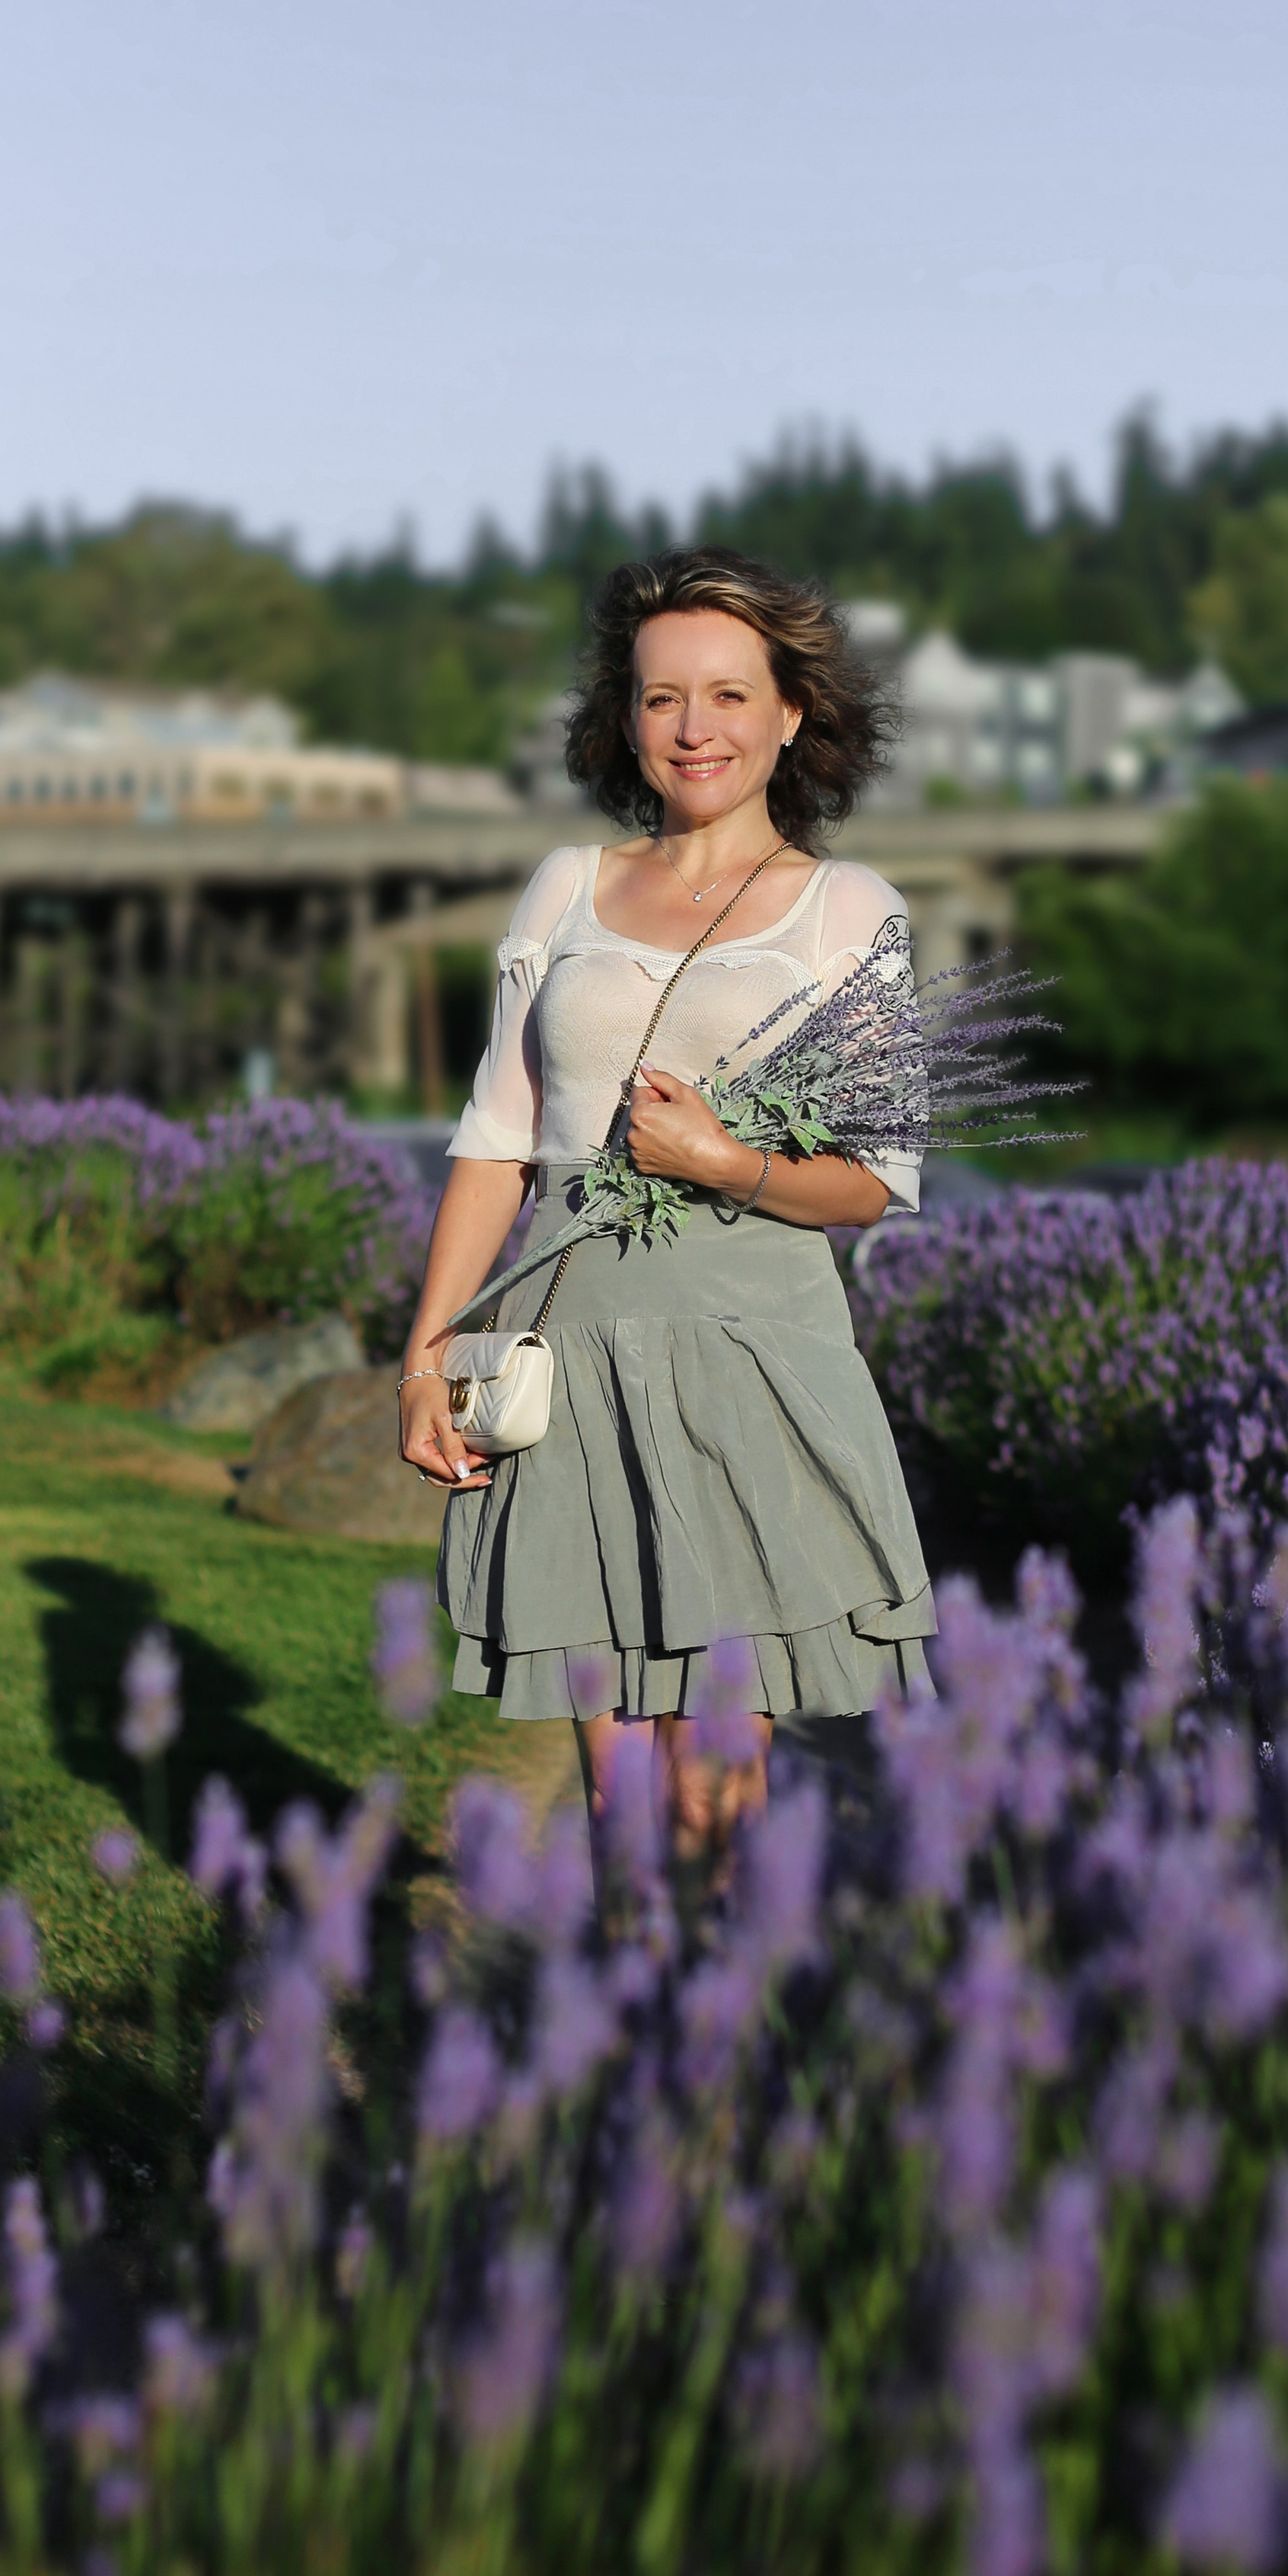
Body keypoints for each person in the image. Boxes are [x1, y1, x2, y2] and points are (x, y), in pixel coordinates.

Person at [396, 547, 935, 1833]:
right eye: (660, 698)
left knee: (712, 1797)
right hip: (577, 1360)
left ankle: (719, 2032)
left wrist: (729, 1164)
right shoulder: (565, 887)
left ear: (793, 712)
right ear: (624, 719)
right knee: (621, 1797)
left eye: (729, 696)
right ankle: (632, 2022)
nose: (693, 729)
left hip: (754, 1357)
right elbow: (495, 1140)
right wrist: (425, 1358)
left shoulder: (848, 910)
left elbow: (876, 1183)